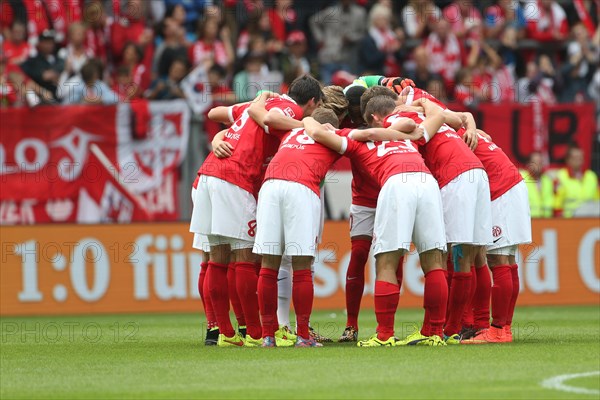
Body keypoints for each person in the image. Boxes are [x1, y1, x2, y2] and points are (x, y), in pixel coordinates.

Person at [190, 75, 323, 347]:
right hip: (234, 177)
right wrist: (304, 127)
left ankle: (224, 333)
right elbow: (270, 119)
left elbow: (216, 112)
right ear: (311, 102)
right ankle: (252, 331)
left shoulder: (264, 102)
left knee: (217, 257)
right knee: (244, 257)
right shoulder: (292, 110)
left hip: (208, 174)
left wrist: (220, 134)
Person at [307, 96, 449, 346]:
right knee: (434, 259)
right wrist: (421, 105)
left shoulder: (355, 141)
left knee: (386, 260)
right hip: (427, 182)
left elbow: (318, 134)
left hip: (396, 183)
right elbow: (436, 117)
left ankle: (384, 335)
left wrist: (309, 120)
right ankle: (434, 333)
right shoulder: (410, 136)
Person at [309, 0, 366, 83]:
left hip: (348, 58)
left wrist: (352, 38)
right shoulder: (330, 12)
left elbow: (363, 33)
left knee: (347, 87)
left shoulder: (360, 13)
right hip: (329, 55)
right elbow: (313, 21)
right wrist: (320, 38)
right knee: (327, 86)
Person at [554, 144, 599, 218]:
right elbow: (557, 200)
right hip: (569, 218)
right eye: (575, 157)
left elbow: (597, 198)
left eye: (580, 157)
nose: (579, 160)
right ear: (568, 160)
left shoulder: (591, 176)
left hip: (590, 218)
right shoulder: (561, 176)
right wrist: (558, 215)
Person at [20, 29, 65, 100]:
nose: (49, 45)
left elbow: (63, 72)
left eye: (51, 42)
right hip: (41, 99)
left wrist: (53, 75)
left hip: (60, 98)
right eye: (46, 42)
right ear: (39, 43)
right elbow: (44, 76)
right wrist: (53, 75)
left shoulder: (60, 59)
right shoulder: (32, 61)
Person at [520, 151, 554, 218]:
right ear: (528, 164)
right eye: (535, 162)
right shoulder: (521, 178)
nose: (538, 165)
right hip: (528, 220)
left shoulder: (547, 180)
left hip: (546, 220)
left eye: (540, 162)